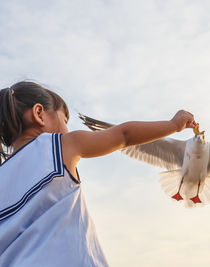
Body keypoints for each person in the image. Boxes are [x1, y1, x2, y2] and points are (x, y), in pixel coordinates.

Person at [0, 81, 195, 266]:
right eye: (63, 119)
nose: (67, 128)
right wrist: (174, 125)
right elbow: (123, 135)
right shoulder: (59, 144)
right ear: (39, 113)